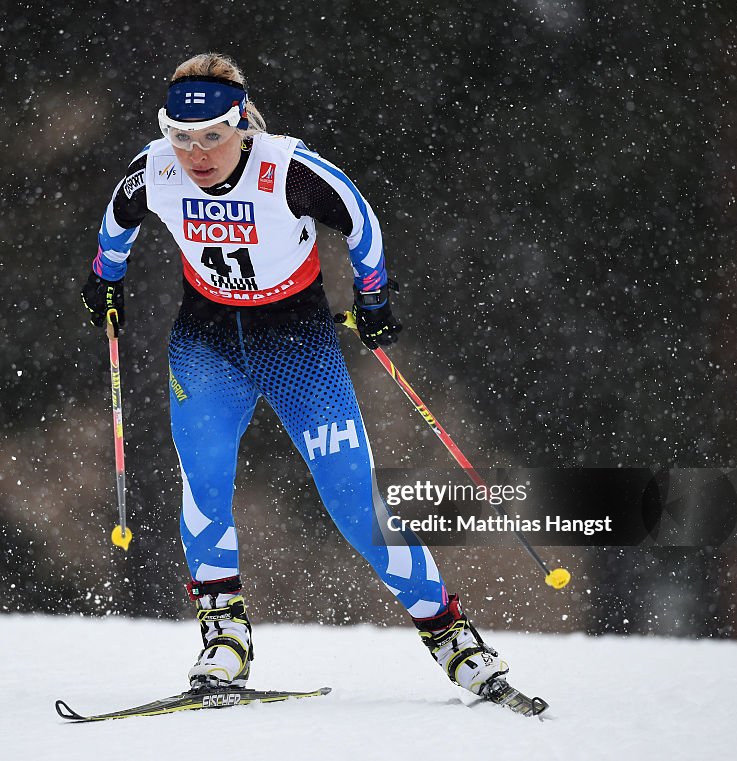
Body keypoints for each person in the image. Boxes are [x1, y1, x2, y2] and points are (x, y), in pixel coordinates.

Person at [82, 53, 511, 699]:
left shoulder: (289, 169)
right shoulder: (156, 169)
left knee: (352, 499)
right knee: (205, 482)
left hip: (297, 345)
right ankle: (224, 637)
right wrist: (103, 281)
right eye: (181, 135)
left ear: (241, 125)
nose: (196, 153)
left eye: (213, 137)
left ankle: (450, 632)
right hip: (206, 342)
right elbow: (117, 225)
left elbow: (361, 222)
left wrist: (374, 299)